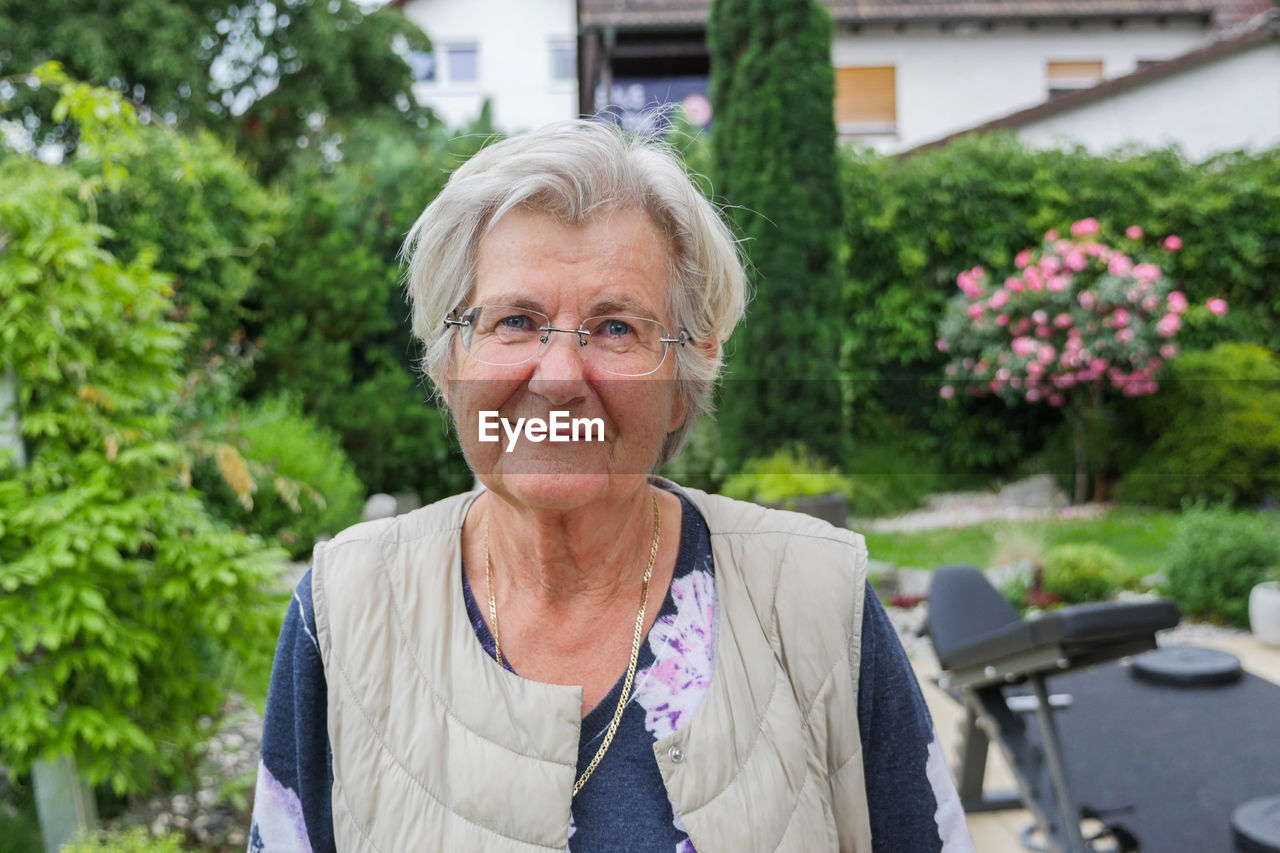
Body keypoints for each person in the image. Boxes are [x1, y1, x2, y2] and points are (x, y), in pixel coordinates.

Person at [248, 120, 972, 852]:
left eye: (617, 327)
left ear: (684, 381)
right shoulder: (344, 608)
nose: (559, 379)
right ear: (448, 363)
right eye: (516, 320)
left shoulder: (816, 600)